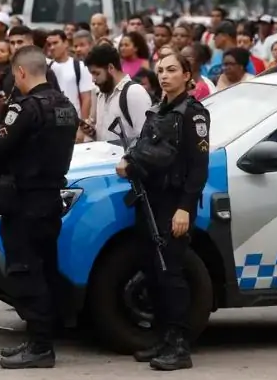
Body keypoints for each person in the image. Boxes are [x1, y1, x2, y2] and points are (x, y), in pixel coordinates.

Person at [117, 53, 210, 371]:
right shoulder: (157, 110)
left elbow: (198, 168)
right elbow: (145, 148)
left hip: (174, 204)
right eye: (160, 70)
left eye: (172, 70)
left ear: (187, 75)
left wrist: (185, 208)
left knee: (171, 273)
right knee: (152, 271)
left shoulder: (193, 114)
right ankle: (164, 339)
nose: (165, 76)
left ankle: (180, 346)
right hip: (150, 201)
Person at [0, 46, 78, 369]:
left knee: (26, 272)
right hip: (49, 198)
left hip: (24, 201)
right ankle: (41, 338)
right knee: (45, 269)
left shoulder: (24, 108)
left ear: (21, 72)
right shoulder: (65, 105)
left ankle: (41, 346)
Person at [83, 44, 152, 142]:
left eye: (96, 73)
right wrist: (93, 133)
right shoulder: (102, 94)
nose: (93, 79)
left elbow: (146, 139)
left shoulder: (134, 93)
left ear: (111, 68)